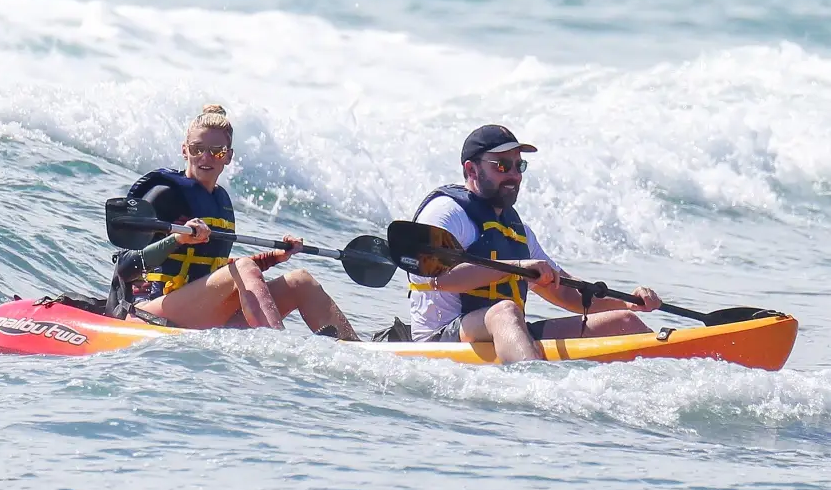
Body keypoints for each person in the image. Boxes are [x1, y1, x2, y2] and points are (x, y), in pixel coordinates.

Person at [407, 124, 662, 363]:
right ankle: (537, 386)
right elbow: (439, 279)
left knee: (625, 322)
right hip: (442, 337)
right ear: (472, 169)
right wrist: (516, 266)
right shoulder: (446, 213)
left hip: (507, 329)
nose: (515, 176)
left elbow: (563, 292)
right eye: (503, 166)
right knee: (504, 310)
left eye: (520, 166)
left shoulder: (518, 231)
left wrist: (628, 302)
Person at [104, 104, 359, 340]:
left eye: (217, 151)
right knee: (245, 266)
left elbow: (215, 272)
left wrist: (275, 257)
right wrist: (176, 239)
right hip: (152, 312)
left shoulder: (222, 202)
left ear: (229, 156)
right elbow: (126, 268)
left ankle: (354, 350)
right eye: (197, 149)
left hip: (201, 311)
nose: (206, 157)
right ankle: (277, 346)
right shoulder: (164, 195)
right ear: (184, 150)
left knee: (301, 281)